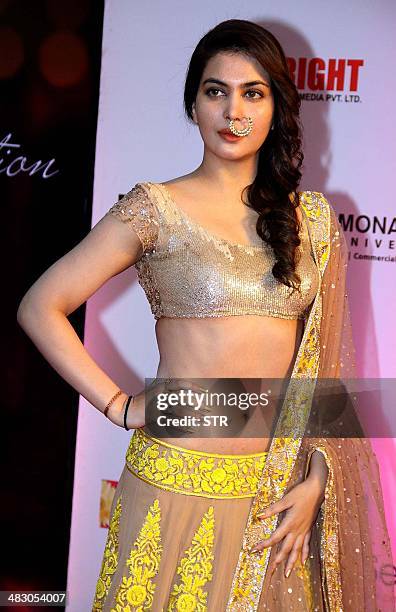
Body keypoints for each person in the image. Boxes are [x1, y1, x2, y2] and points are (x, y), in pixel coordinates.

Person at [17, 19, 394, 612]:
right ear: (193, 103)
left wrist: (317, 476)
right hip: (170, 485)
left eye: (253, 92)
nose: (233, 111)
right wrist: (120, 406)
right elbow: (40, 306)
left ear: (278, 108)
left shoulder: (314, 222)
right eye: (216, 91)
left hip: (272, 500)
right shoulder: (154, 209)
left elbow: (321, 365)